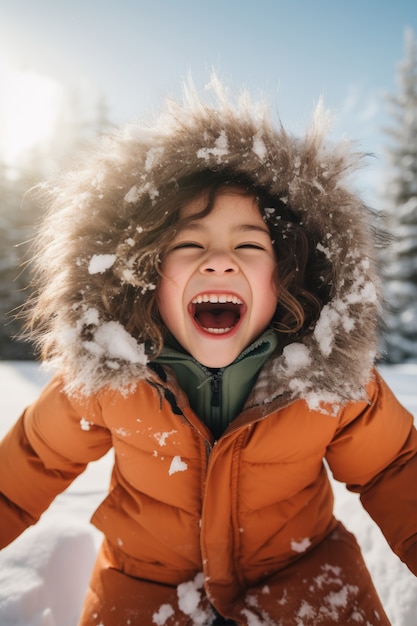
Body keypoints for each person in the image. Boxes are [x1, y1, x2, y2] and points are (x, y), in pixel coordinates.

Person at [0, 79, 416, 626]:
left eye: (248, 245)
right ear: (148, 276)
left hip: (303, 578)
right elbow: (26, 466)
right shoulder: (108, 378)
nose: (219, 261)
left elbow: (396, 467)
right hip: (145, 586)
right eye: (190, 244)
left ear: (286, 278)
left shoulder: (331, 383)